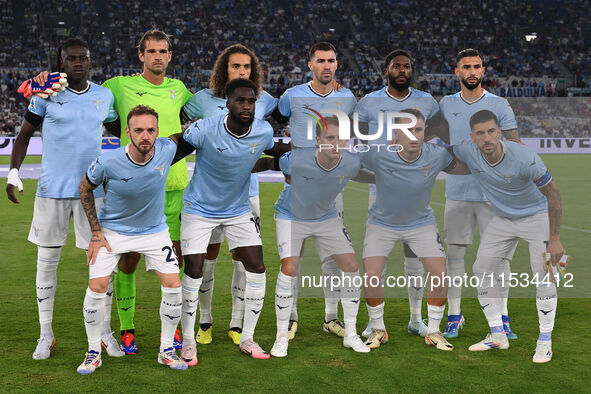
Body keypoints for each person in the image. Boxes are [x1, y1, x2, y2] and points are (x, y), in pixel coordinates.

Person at [32, 30, 193, 353]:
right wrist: (43, 81)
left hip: (173, 187)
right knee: (123, 262)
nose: (158, 56)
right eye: (152, 51)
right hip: (121, 186)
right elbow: (83, 97)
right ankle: (124, 328)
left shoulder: (181, 90)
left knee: (177, 265)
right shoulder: (116, 87)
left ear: (170, 55)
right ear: (141, 55)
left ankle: (176, 333)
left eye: (164, 51)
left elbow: (201, 114)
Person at [6, 38, 121, 360]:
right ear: (61, 64)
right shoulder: (46, 93)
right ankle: (46, 334)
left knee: (101, 266)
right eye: (71, 59)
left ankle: (105, 332)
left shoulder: (104, 95)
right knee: (46, 263)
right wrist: (13, 172)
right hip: (51, 191)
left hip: (93, 191)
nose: (78, 62)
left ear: (90, 60)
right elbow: (24, 135)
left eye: (83, 57)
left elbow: (118, 129)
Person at [77, 105, 193, 374]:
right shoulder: (108, 161)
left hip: (154, 232)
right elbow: (85, 187)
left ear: (158, 132)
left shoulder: (166, 149)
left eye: (150, 130)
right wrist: (96, 232)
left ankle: (166, 350)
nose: (145, 136)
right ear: (128, 132)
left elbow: (193, 137)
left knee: (174, 285)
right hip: (113, 232)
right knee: (96, 287)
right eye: (138, 130)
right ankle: (93, 351)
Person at [179, 78, 287, 363]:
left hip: (237, 210)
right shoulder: (205, 129)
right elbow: (175, 151)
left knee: (257, 266)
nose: (247, 105)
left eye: (251, 101)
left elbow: (274, 151)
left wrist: (303, 154)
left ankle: (248, 338)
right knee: (193, 269)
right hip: (199, 209)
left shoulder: (262, 130)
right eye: (240, 100)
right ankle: (188, 341)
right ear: (226, 104)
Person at [454, 110, 563, 363]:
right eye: (480, 133)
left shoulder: (524, 156)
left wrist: (555, 238)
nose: (487, 138)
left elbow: (554, 193)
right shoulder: (468, 150)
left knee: (547, 274)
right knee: (481, 269)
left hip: (537, 217)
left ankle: (545, 342)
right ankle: (497, 335)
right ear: (473, 137)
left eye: (491, 131)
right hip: (502, 219)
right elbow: (444, 154)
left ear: (499, 132)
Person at [355, 49, 449, 339]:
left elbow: (437, 129)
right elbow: (359, 135)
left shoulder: (426, 101)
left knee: (414, 253)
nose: (402, 70)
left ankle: (415, 319)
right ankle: (375, 323)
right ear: (387, 71)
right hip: (381, 185)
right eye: (396, 66)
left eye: (407, 66)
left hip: (414, 186)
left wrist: (417, 152)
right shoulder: (369, 101)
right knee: (376, 258)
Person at [360, 109, 469, 351]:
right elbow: (346, 164)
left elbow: (463, 167)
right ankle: (379, 329)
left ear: (424, 133)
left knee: (440, 274)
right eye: (407, 130)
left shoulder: (437, 155)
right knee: (371, 274)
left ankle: (434, 331)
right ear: (395, 134)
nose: (413, 135)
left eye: (418, 130)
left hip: (421, 224)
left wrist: (492, 166)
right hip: (382, 224)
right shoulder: (378, 155)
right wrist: (372, 179)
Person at [270, 117, 372, 357]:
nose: (336, 144)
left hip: (326, 217)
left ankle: (351, 334)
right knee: (289, 268)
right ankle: (281, 336)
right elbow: (283, 169)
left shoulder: (350, 162)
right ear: (318, 140)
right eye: (329, 139)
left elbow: (364, 174)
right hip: (291, 215)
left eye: (340, 139)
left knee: (350, 265)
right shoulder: (295, 160)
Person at [277, 42, 357, 339]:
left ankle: (330, 318)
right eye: (321, 60)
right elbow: (281, 121)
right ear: (309, 64)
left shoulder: (347, 98)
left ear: (337, 64)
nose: (327, 66)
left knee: (332, 256)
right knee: (293, 256)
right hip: (299, 186)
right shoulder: (292, 96)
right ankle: (290, 318)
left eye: (332, 61)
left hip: (331, 187)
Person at [439, 48, 521, 339]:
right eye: (466, 67)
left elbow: (515, 144)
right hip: (458, 193)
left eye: (476, 66)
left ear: (483, 71)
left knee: (500, 259)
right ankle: (454, 316)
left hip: (494, 197)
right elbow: (438, 145)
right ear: (457, 72)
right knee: (454, 256)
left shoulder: (499, 104)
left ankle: (502, 317)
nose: (472, 71)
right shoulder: (446, 105)